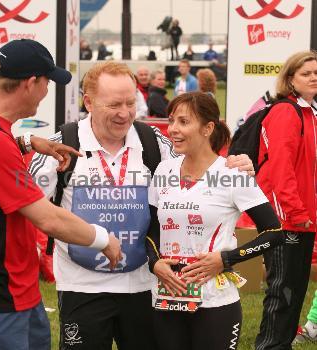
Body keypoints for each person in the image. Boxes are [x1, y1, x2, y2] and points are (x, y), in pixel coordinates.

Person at [29, 61, 255, 350]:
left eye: (131, 102)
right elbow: (25, 202)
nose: (124, 113)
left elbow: (202, 162)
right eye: (114, 104)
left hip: (143, 285)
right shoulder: (62, 144)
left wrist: (236, 164)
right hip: (81, 285)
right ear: (88, 102)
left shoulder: (153, 142)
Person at [0, 39, 121, 350]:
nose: (46, 93)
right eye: (47, 83)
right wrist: (103, 240)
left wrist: (28, 142)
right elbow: (48, 218)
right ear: (30, 83)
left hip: (12, 293)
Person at [146, 91, 285, 350]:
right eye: (172, 121)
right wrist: (154, 264)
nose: (173, 129)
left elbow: (274, 231)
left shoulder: (232, 173)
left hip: (215, 301)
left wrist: (226, 259)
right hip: (166, 296)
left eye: (184, 122)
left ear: (208, 128)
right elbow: (151, 229)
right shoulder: (164, 170)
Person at [254, 50, 317, 350]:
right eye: (306, 73)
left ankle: (282, 344)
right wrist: (294, 211)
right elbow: (281, 168)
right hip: (286, 220)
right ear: (290, 79)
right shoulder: (285, 112)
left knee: (294, 292)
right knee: (282, 293)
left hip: (303, 218)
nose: (314, 77)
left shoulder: (309, 112)